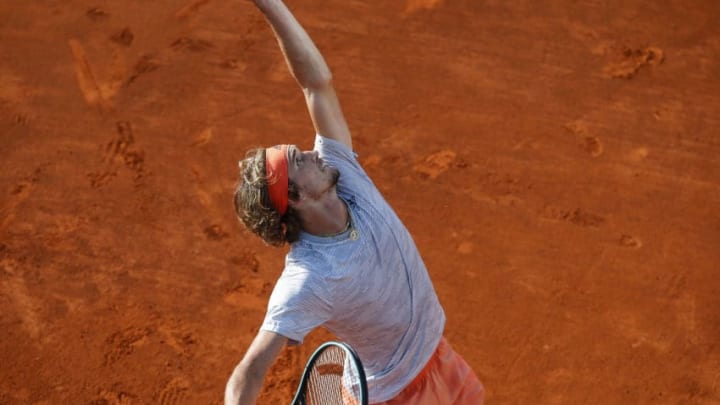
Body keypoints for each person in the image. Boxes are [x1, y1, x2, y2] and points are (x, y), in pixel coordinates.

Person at [225, 0, 485, 404]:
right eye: (299, 161)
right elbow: (250, 371)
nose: (313, 153)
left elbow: (316, 85)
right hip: (398, 394)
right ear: (294, 197)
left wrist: (269, 3)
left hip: (436, 356)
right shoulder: (309, 278)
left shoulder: (342, 174)